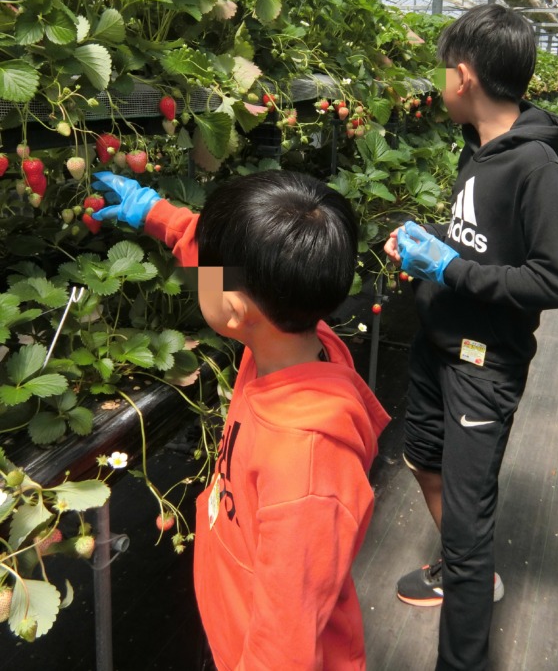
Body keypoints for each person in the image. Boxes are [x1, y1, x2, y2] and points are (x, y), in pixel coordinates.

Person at [92, 169, 390, 671]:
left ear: (235, 309)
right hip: (235, 630)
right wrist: (156, 215)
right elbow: (227, 271)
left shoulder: (305, 471)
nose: (199, 272)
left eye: (210, 270)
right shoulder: (294, 338)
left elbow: (284, 650)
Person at [384, 3, 558, 671]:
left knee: (471, 537)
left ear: (463, 76)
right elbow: (482, 245)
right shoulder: (478, 150)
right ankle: (460, 567)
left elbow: (556, 281)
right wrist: (431, 247)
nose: (439, 83)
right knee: (419, 458)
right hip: (437, 342)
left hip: (481, 362)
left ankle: (462, 642)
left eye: (443, 71)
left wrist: (449, 267)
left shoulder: (534, 169)